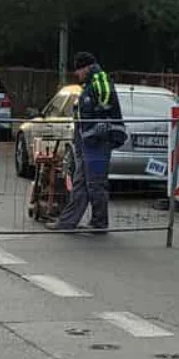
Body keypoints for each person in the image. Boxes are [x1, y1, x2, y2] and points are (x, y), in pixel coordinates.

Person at [47, 52, 125, 232]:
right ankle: (68, 223)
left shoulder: (100, 83)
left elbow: (102, 110)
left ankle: (99, 223)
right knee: (80, 183)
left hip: (97, 143)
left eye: (79, 69)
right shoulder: (92, 84)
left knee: (95, 184)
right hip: (87, 143)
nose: (77, 74)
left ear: (87, 67)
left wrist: (94, 134)